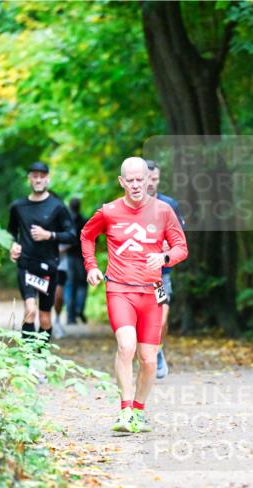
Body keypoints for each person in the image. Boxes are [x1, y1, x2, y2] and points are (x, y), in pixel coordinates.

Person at [81, 157, 188, 433]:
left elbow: (181, 248)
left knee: (149, 359)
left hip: (153, 291)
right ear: (122, 182)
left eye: (140, 179)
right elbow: (86, 235)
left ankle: (139, 411)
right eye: (130, 180)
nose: (136, 185)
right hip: (119, 288)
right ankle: (125, 410)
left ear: (148, 179)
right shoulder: (108, 211)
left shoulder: (164, 211)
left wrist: (164, 257)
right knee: (126, 346)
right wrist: (92, 266)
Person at [8, 161, 76, 343]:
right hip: (26, 265)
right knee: (30, 310)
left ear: (48, 179)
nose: (38, 180)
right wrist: (13, 245)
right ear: (29, 178)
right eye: (34, 176)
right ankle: (29, 361)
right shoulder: (18, 207)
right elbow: (11, 233)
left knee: (45, 317)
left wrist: (49, 235)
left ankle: (40, 360)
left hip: (48, 266)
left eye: (42, 176)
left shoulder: (57, 206)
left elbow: (71, 235)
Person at [145, 160, 186, 379]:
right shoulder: (127, 206)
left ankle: (158, 350)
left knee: (160, 319)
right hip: (133, 277)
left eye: (155, 178)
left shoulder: (169, 205)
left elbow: (180, 241)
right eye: (147, 178)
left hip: (160, 277)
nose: (151, 183)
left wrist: (167, 248)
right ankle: (145, 355)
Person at [65, 197, 89, 325]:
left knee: (70, 286)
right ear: (79, 207)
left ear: (70, 207)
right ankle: (79, 309)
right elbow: (93, 239)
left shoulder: (67, 222)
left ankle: (70, 317)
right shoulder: (85, 221)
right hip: (83, 258)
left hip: (69, 258)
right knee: (82, 286)